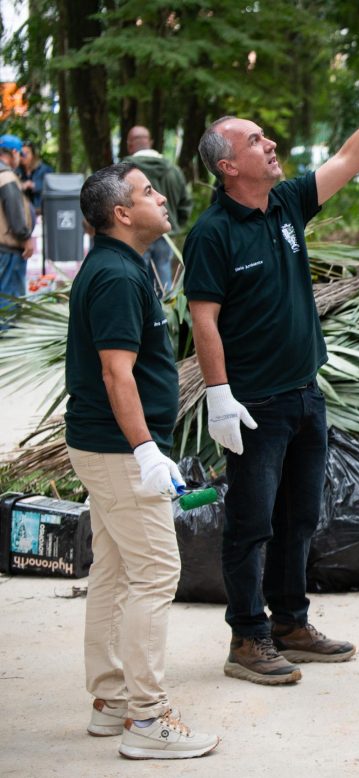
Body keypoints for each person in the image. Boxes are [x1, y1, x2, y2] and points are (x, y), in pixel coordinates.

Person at [183, 57, 359, 686]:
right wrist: (218, 396)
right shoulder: (213, 232)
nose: (271, 146)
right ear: (227, 165)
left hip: (304, 394)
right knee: (251, 523)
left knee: (298, 518)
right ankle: (247, 636)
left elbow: (347, 159)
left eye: (267, 136)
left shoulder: (287, 203)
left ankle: (291, 621)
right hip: (254, 404)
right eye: (256, 141)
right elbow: (203, 320)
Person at [66, 162, 219, 760]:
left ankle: (110, 702)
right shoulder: (115, 276)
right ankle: (148, 720)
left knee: (114, 570)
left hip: (105, 446)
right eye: (148, 191)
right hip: (117, 449)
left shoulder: (128, 265)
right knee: (156, 572)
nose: (161, 196)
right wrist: (146, 451)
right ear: (122, 214)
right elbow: (115, 371)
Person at [125, 126, 193, 293]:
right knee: (164, 275)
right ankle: (166, 315)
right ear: (150, 142)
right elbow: (186, 203)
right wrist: (175, 225)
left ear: (129, 144)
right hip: (165, 234)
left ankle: (144, 314)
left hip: (136, 233)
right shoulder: (173, 171)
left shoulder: (123, 170)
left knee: (138, 277)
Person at [0, 133, 33, 329]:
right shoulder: (6, 176)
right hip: (8, 250)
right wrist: (25, 237)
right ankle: (8, 349)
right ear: (13, 153)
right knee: (9, 303)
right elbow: (14, 211)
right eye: (19, 155)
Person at [19, 141, 54, 214]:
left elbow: (53, 188)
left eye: (27, 153)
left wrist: (33, 185)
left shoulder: (45, 169)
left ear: (33, 154)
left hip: (40, 210)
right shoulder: (17, 170)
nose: (24, 156)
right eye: (22, 153)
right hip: (23, 211)